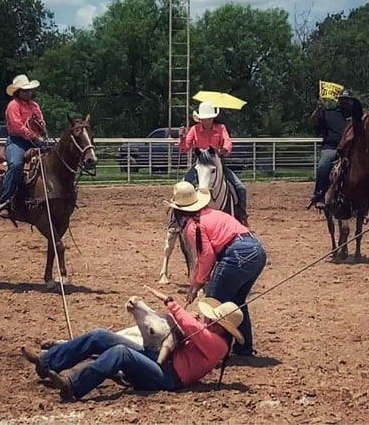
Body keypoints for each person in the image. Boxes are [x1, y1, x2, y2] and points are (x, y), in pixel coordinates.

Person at [20, 287, 244, 401]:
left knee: (121, 352)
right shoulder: (210, 335)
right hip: (159, 361)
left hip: (168, 378)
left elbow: (192, 328)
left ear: (223, 328)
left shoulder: (219, 346)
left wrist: (170, 303)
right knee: (100, 335)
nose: (208, 319)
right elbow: (192, 328)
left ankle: (72, 386)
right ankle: (47, 362)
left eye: (214, 320)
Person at [165, 181, 266, 356]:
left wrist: (198, 283)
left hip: (237, 254)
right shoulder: (214, 214)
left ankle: (211, 348)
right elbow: (203, 257)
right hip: (257, 250)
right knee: (236, 301)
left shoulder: (193, 226)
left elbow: (206, 257)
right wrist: (194, 284)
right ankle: (243, 348)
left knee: (213, 302)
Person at [179, 101, 248, 226]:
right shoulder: (194, 130)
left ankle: (242, 217)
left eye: (209, 118)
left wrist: (225, 149)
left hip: (218, 164)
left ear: (213, 118)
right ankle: (179, 220)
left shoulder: (221, 128)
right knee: (182, 188)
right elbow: (185, 148)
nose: (206, 121)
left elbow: (227, 142)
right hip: (200, 165)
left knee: (240, 188)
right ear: (200, 119)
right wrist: (182, 138)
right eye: (204, 118)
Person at [0, 74, 50, 217]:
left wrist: (42, 127)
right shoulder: (13, 105)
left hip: (35, 140)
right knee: (16, 164)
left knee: (53, 160)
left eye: (29, 90)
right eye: (25, 91)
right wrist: (34, 136)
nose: (28, 93)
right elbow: (17, 126)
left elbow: (41, 122)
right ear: (18, 92)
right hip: (17, 141)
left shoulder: (34, 106)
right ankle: (5, 200)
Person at [307, 89, 353, 209]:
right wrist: (318, 109)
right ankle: (319, 194)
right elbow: (313, 121)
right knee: (323, 165)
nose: (345, 102)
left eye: (347, 100)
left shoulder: (356, 115)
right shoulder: (328, 113)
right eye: (342, 99)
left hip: (352, 149)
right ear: (339, 100)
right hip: (331, 147)